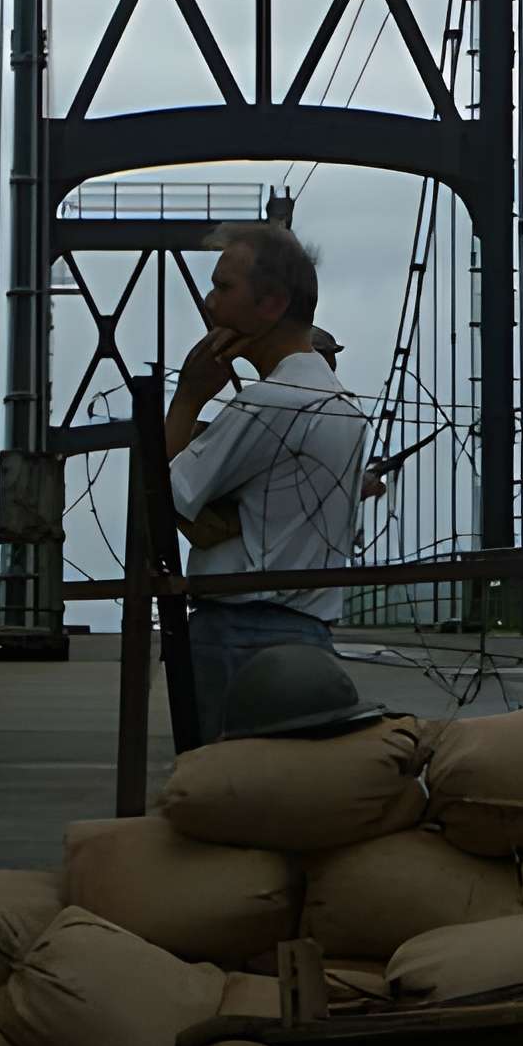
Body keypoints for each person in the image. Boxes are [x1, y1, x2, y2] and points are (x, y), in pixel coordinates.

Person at [163, 221, 383, 747]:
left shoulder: (269, 401)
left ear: (271, 304)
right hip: (309, 633)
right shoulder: (341, 403)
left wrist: (188, 397)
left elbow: (166, 495)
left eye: (223, 287)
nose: (210, 303)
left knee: (217, 781)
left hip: (238, 632)